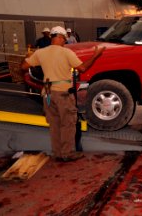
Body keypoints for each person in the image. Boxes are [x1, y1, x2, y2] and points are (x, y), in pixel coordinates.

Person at [21, 26, 105, 162]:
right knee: (67, 123)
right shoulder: (66, 53)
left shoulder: (41, 52)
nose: (65, 42)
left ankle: (57, 153)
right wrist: (96, 55)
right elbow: (82, 68)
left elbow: (24, 67)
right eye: (64, 39)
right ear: (59, 37)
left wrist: (29, 57)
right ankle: (67, 153)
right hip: (62, 92)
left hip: (47, 92)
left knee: (54, 123)